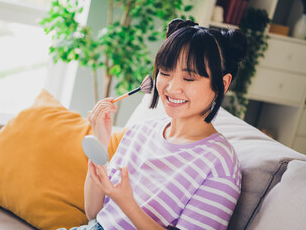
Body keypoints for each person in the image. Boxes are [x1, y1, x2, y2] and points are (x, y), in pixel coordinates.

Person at [72, 19, 247, 230]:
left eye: (189, 78)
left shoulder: (219, 163)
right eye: (165, 72)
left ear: (223, 84)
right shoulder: (140, 132)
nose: (172, 88)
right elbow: (94, 213)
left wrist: (128, 205)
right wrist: (100, 143)